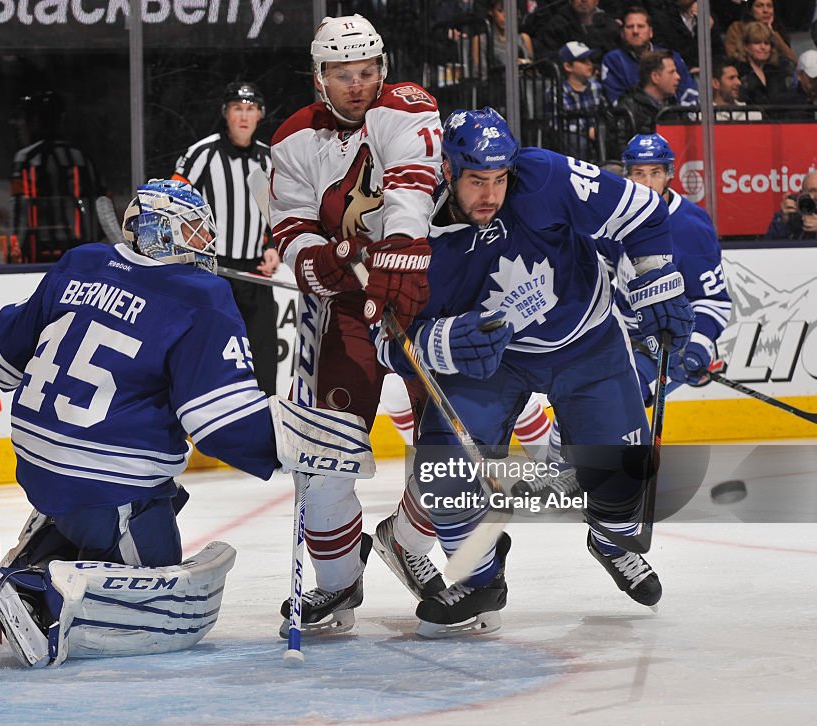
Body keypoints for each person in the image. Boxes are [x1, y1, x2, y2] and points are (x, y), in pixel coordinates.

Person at [0, 179, 374, 667]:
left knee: (161, 498)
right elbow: (223, 426)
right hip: (110, 486)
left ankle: (49, 542)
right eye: (195, 233)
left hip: (36, 467)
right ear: (160, 232)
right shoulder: (200, 297)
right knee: (169, 602)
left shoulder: (80, 262)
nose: (206, 245)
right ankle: (41, 591)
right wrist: (289, 443)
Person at [375, 108, 693, 636]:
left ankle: (612, 537)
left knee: (621, 477)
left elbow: (643, 214)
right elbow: (379, 331)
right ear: (449, 171)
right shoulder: (410, 224)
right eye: (477, 180)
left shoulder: (545, 174)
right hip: (491, 360)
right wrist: (436, 343)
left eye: (500, 179)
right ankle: (479, 580)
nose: (491, 195)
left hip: (585, 342)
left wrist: (657, 280)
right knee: (442, 470)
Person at [269, 14, 444, 635]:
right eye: (343, 75)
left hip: (416, 297)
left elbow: (409, 187)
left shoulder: (405, 108)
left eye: (367, 72)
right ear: (320, 77)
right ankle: (338, 583)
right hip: (343, 306)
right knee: (327, 448)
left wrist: (397, 255)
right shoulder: (292, 139)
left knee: (448, 440)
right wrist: (312, 260)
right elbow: (289, 226)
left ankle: (410, 545)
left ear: (383, 71)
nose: (357, 86)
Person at [173, 81, 279, 396]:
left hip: (254, 274)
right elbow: (170, 200)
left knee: (263, 355)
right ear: (225, 113)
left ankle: (263, 420)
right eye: (237, 108)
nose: (244, 116)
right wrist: (189, 228)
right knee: (207, 353)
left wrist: (273, 247)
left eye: (250, 109)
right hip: (212, 273)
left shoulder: (269, 159)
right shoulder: (202, 154)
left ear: (260, 115)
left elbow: (279, 213)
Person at [612, 134, 732, 406]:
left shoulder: (691, 227)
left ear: (669, 174)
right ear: (627, 176)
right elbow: (602, 266)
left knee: (625, 397)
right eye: (639, 174)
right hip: (619, 335)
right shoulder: (615, 214)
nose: (648, 183)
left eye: (656, 173)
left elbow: (713, 300)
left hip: (666, 344)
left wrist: (699, 344)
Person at [9, 91, 104, 263]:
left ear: (35, 120)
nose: (18, 125)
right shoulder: (82, 158)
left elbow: (20, 213)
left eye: (23, 118)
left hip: (39, 256)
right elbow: (100, 210)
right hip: (82, 253)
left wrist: (13, 252)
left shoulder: (26, 159)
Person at [600, 7, 698, 106]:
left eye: (641, 26)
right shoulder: (613, 60)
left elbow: (690, 93)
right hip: (636, 118)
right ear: (622, 33)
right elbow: (616, 102)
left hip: (673, 117)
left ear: (650, 32)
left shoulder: (671, 57)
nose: (635, 31)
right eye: (630, 27)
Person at [555, 41, 606, 161]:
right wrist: (585, 131)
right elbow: (557, 124)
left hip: (594, 133)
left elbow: (603, 112)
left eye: (590, 60)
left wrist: (596, 127)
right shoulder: (556, 92)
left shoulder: (595, 86)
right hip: (571, 139)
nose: (590, 64)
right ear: (568, 66)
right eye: (583, 61)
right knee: (575, 141)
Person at [617, 50, 684, 135]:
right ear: (655, 77)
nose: (678, 77)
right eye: (671, 72)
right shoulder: (628, 109)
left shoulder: (674, 106)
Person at [732, 21, 795, 106]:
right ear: (746, 46)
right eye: (757, 42)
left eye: (766, 43)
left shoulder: (778, 71)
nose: (763, 47)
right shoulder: (738, 71)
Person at [534, 0, 621, 61]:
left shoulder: (610, 25)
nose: (584, 0)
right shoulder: (556, 26)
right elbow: (548, 59)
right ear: (570, 0)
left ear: (597, 1)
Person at [725, 0, 797, 68]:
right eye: (759, 6)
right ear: (750, 10)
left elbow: (793, 61)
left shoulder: (777, 29)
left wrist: (772, 33)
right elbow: (732, 57)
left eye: (769, 6)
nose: (766, 10)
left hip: (773, 73)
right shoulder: (737, 28)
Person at [766, 170, 817, 241]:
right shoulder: (794, 212)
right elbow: (769, 246)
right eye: (812, 191)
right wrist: (783, 221)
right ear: (802, 194)